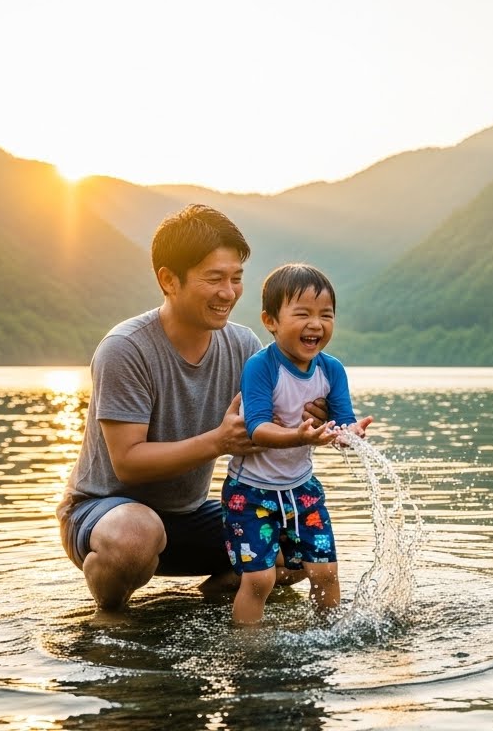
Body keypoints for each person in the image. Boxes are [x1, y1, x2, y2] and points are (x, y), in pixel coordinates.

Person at [56, 204, 327, 611]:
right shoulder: (126, 349)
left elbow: (264, 431)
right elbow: (127, 462)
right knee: (135, 536)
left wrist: (305, 421)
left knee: (299, 549)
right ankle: (110, 619)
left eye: (236, 279)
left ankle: (208, 602)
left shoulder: (244, 347)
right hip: (105, 514)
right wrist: (219, 441)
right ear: (169, 280)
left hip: (191, 515)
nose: (229, 292)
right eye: (214, 278)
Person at [224, 263, 372, 625]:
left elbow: (340, 420)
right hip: (251, 493)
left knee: (325, 573)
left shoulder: (331, 369)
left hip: (302, 490)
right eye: (302, 313)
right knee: (259, 580)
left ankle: (327, 638)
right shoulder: (261, 367)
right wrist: (300, 436)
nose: (316, 324)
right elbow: (256, 429)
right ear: (270, 321)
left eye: (326, 315)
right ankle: (247, 652)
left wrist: (351, 434)